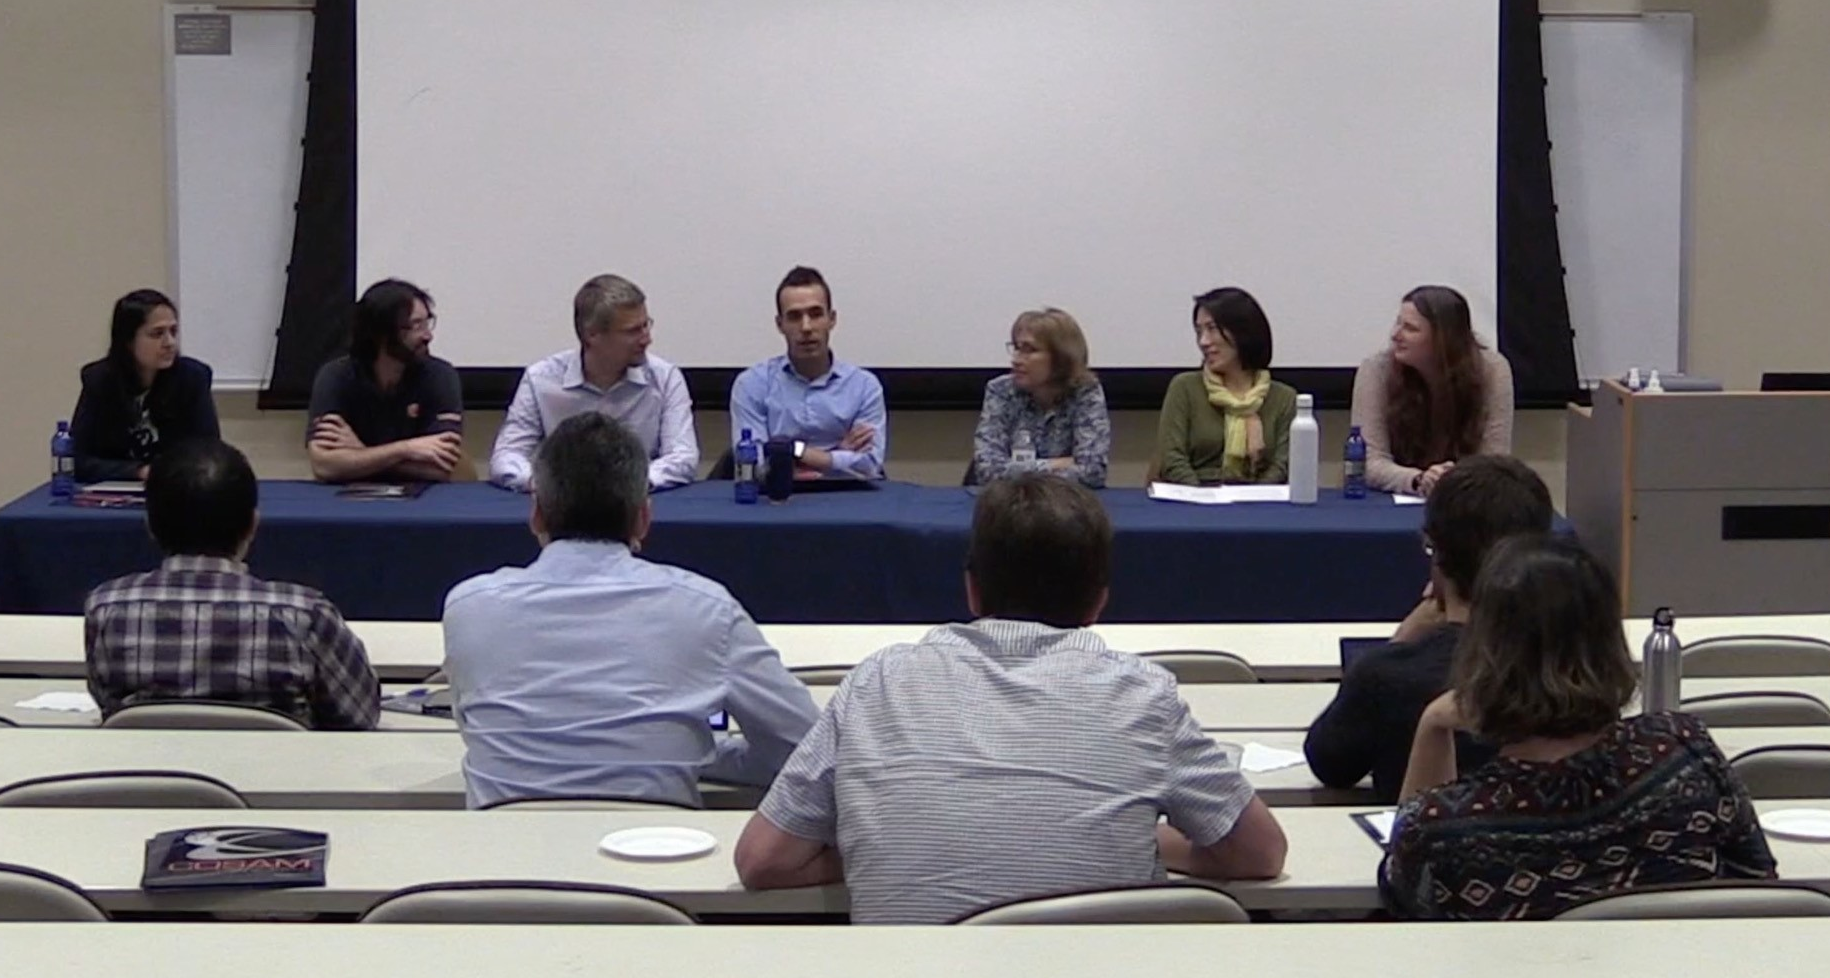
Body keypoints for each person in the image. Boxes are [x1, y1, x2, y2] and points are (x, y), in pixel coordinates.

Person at [733, 473, 1288, 924]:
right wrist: (1157, 845)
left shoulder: (878, 681)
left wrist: (879, 855)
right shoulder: (1143, 694)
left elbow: (763, 861)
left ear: (972, 589)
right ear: (1099, 602)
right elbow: (1261, 855)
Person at [1382, 535, 1778, 920]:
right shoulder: (1686, 751)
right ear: (1610, 644)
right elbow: (1759, 887)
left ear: (1483, 655)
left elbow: (1404, 900)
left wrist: (1432, 727)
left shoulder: (1444, 827)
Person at [443, 412, 819, 808]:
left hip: (497, 857)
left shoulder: (467, 607)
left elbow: (479, 731)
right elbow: (806, 748)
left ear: (536, 513)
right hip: (656, 852)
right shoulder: (707, 609)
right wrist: (695, 752)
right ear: (643, 517)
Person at [1303, 455, 1553, 803]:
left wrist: (1401, 642)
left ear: (1437, 554)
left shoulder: (1388, 677)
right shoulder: (1572, 664)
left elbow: (1330, 764)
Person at [83, 439, 380, 729]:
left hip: (149, 776)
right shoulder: (305, 615)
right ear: (252, 525)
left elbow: (109, 704)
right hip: (279, 777)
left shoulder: (106, 608)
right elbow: (362, 714)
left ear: (150, 526)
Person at [489, 274, 698, 491]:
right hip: (561, 508)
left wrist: (623, 485)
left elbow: (682, 457)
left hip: (638, 505)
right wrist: (547, 485)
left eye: (646, 325)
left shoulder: (665, 378)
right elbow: (507, 455)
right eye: (633, 331)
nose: (647, 339)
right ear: (592, 335)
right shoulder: (540, 379)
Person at [1349, 286, 1513, 495]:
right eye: (1398, 323)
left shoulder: (1491, 369)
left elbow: (1496, 460)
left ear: (1443, 338)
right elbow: (1368, 462)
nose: (1395, 335)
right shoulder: (1377, 369)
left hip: (1469, 497)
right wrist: (1419, 479)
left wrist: (1454, 479)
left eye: (1410, 328)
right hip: (1394, 498)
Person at [729, 266, 886, 479]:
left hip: (849, 502)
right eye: (794, 316)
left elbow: (869, 465)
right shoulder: (752, 385)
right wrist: (834, 456)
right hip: (775, 504)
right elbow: (753, 465)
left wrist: (792, 452)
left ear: (832, 319)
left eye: (815, 314)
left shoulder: (864, 387)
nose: (806, 327)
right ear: (780, 324)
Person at [307, 278, 465, 483]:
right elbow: (324, 466)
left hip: (426, 502)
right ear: (381, 333)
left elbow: (442, 468)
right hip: (346, 503)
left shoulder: (440, 376)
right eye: (416, 325)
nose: (428, 335)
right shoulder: (336, 377)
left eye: (428, 322)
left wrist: (361, 453)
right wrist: (405, 449)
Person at [70, 289, 220, 483]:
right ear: (128, 341)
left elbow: (210, 454)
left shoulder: (193, 378)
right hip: (118, 494)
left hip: (178, 492)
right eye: (157, 334)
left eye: (173, 331)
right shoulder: (99, 381)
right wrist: (138, 472)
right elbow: (77, 460)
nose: (170, 343)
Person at [1154, 288, 1297, 485]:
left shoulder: (1284, 398)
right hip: (1195, 503)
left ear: (1243, 332)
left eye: (1212, 329)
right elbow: (1172, 460)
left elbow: (1283, 467)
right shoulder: (1185, 388)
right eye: (1199, 332)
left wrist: (1253, 501)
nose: (1203, 342)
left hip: (1261, 506)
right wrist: (1204, 499)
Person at [970, 308, 1110, 488]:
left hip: (1068, 504)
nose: (1016, 359)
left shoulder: (1086, 393)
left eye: (1029, 350)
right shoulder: (1000, 391)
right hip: (1009, 503)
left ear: (1061, 357)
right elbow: (986, 471)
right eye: (1016, 348)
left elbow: (1093, 471)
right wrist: (1058, 464)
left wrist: (1016, 469)